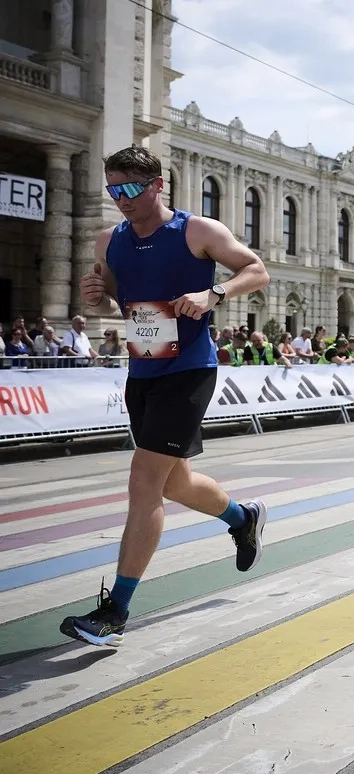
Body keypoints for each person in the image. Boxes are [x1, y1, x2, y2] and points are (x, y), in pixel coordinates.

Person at [62, 145, 268, 648]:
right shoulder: (108, 239)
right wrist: (100, 296)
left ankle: (115, 610)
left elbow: (256, 270)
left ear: (158, 185)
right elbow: (115, 295)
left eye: (131, 189)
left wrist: (213, 294)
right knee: (175, 484)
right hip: (144, 370)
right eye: (114, 190)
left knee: (144, 480)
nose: (121, 199)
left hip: (189, 370)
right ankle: (244, 519)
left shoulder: (197, 231)